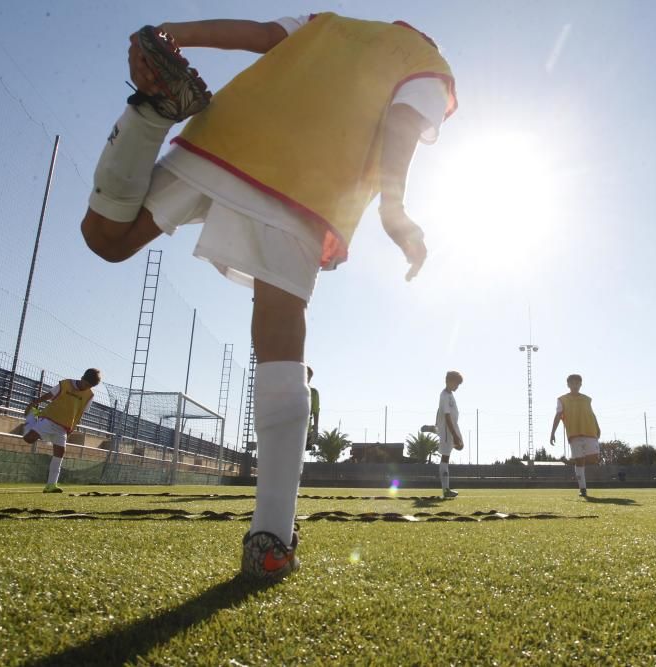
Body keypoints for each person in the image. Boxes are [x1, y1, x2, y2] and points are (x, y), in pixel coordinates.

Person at [80, 14, 457, 579]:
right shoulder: (431, 66)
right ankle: (272, 535)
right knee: (280, 334)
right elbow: (403, 123)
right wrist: (393, 208)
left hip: (225, 137)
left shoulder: (328, 22)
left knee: (105, 237)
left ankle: (153, 113)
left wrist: (171, 33)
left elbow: (256, 34)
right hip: (304, 181)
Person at [23, 369, 102, 493]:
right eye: (86, 384)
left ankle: (51, 485)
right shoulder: (65, 384)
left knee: (60, 454)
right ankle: (32, 419)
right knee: (28, 439)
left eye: (90, 386)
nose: (86, 387)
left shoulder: (89, 395)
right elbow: (49, 395)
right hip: (49, 419)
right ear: (82, 378)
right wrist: (33, 403)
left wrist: (72, 427)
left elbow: (80, 413)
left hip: (63, 427)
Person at [549, 374, 601, 497]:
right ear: (568, 385)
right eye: (572, 383)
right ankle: (582, 489)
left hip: (590, 431)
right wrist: (552, 432)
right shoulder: (562, 399)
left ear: (580, 384)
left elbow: (592, 414)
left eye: (577, 383)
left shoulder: (587, 399)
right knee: (580, 462)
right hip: (574, 433)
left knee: (594, 458)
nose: (575, 385)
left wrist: (598, 427)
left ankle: (573, 460)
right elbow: (558, 415)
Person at [435, 371, 464, 498]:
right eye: (456, 383)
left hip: (453, 427)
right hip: (447, 429)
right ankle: (446, 490)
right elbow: (446, 417)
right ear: (448, 381)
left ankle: (434, 429)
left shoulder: (450, 394)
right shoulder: (444, 396)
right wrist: (454, 435)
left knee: (460, 446)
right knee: (445, 457)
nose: (457, 386)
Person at [306, 366, 320, 451]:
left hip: (306, 430)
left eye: (309, 376)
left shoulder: (313, 392)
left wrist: (315, 430)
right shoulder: (291, 390)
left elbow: (316, 412)